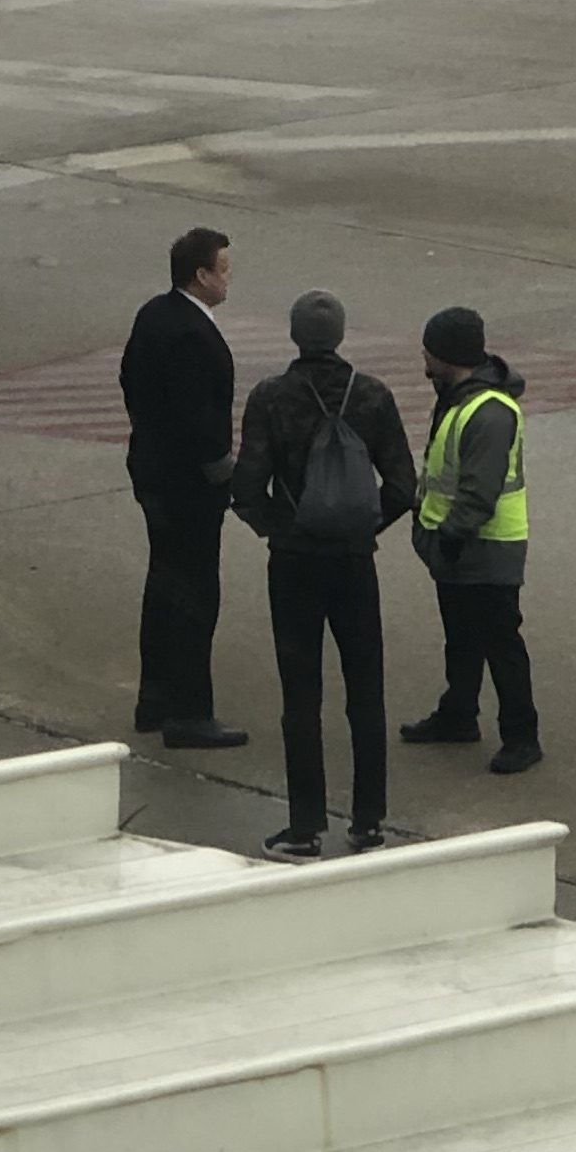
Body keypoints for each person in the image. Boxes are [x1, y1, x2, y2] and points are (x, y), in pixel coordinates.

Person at [231, 289, 417, 858]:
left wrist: (281, 529)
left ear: (294, 336)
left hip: (294, 564)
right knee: (366, 691)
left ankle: (305, 826)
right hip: (355, 562)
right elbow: (403, 486)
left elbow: (246, 489)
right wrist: (363, 526)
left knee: (300, 695)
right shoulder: (372, 395)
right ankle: (369, 822)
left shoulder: (271, 397)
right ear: (340, 335)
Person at [116, 225, 248, 750]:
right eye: (224, 269)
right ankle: (191, 712)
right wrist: (224, 471)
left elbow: (130, 380)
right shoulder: (194, 335)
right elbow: (200, 421)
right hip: (187, 486)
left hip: (152, 473)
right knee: (195, 595)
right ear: (201, 275)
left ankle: (154, 700)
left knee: (163, 586)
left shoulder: (154, 314)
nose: (229, 279)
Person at [401, 304, 541, 774]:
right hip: (458, 544)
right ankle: (459, 713)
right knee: (461, 638)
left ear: (448, 355)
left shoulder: (489, 413)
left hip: (485, 547)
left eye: (428, 350)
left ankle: (522, 736)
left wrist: (449, 536)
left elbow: (480, 491)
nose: (423, 357)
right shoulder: (458, 396)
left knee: (501, 643)